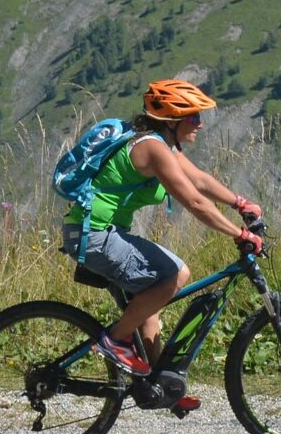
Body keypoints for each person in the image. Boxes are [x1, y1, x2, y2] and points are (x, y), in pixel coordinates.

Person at [71, 79, 264, 383]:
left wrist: (239, 202)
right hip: (94, 235)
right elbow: (196, 202)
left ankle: (158, 384)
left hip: (97, 233)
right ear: (172, 120)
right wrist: (239, 234)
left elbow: (198, 180)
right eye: (193, 117)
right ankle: (116, 340)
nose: (200, 124)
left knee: (150, 303)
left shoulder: (157, 142)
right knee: (176, 274)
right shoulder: (152, 149)